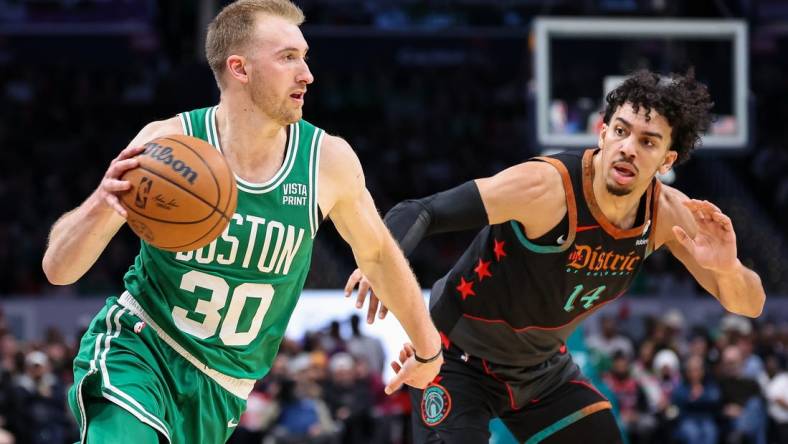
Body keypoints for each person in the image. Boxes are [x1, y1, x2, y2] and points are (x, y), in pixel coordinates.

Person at [41, 1, 442, 443]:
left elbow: (379, 254)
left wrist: (429, 351)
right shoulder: (168, 145)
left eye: (304, 57)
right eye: (288, 57)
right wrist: (102, 200)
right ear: (240, 68)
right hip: (140, 349)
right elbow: (60, 271)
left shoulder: (326, 161)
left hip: (224, 389)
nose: (306, 74)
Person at [346, 69, 766, 443]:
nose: (628, 148)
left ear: (667, 159)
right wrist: (377, 261)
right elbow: (420, 210)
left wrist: (727, 268)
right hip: (456, 361)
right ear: (602, 132)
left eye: (647, 141)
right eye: (620, 131)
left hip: (542, 371)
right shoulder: (546, 189)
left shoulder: (667, 215)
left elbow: (749, 304)